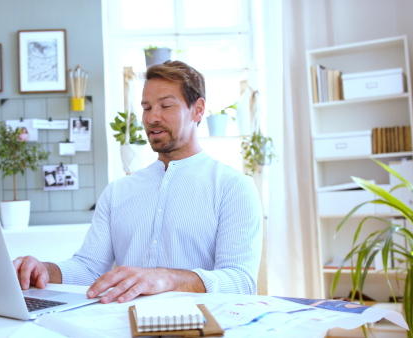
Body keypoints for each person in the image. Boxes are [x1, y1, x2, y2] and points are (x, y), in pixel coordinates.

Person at [14, 60, 263, 304]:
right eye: (146, 107)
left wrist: (167, 278)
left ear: (197, 110)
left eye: (166, 105)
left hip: (201, 327)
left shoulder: (234, 187)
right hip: (123, 326)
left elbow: (240, 281)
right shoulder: (119, 191)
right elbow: (89, 268)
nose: (152, 117)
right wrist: (45, 270)